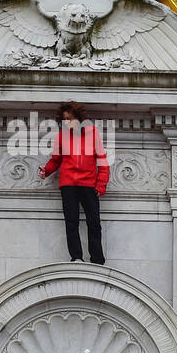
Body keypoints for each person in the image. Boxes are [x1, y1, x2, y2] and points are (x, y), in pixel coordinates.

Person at [39, 103, 109, 264]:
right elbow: (56, 159)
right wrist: (46, 170)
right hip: (68, 183)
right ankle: (76, 257)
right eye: (64, 120)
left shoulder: (93, 133)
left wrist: (101, 185)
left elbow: (102, 161)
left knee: (94, 222)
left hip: (88, 184)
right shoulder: (62, 136)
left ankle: (97, 259)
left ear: (78, 118)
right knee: (71, 221)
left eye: (69, 119)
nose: (67, 123)